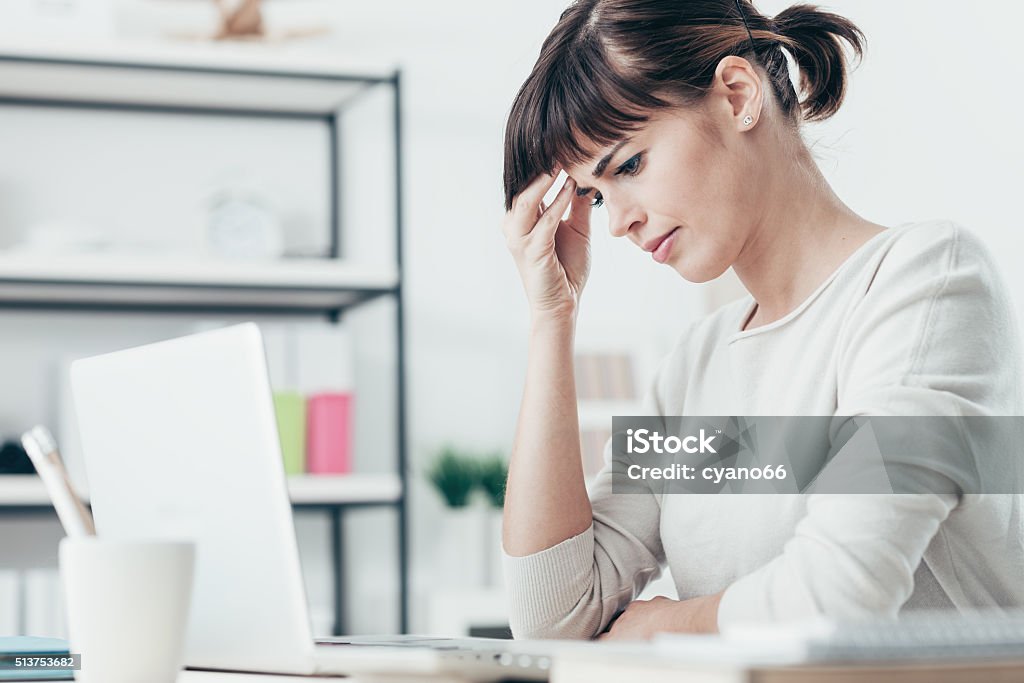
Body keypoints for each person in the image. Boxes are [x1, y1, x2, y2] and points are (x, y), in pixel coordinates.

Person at [499, 0, 1024, 640]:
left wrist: (665, 626)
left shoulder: (927, 283)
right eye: (598, 194)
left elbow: (838, 593)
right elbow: (551, 617)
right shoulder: (693, 368)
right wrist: (553, 317)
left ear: (737, 94)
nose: (616, 222)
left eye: (630, 164)